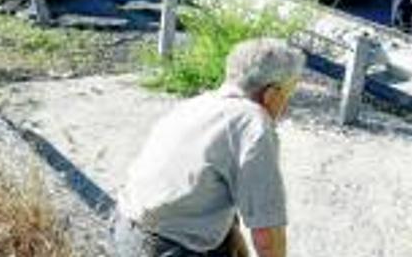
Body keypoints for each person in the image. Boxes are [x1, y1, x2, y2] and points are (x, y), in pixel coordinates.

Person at [115, 39, 305, 257]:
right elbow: (267, 237)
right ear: (270, 94)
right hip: (167, 247)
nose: (287, 105)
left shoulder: (197, 105)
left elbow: (213, 200)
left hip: (126, 229)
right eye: (288, 94)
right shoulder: (253, 122)